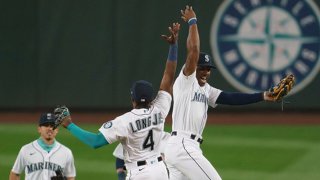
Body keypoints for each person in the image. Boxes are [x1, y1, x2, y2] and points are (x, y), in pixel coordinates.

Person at [164, 6, 279, 180]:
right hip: (183, 146)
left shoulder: (207, 89)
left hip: (184, 148)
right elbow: (193, 51)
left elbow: (231, 98)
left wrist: (263, 95)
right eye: (202, 68)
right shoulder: (186, 80)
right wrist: (193, 22)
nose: (205, 72)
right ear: (194, 67)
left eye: (209, 69)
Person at [54, 22, 180, 180]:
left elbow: (96, 142)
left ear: (132, 99)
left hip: (140, 174)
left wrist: (69, 124)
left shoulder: (124, 121)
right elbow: (168, 77)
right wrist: (174, 46)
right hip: (161, 170)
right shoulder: (160, 109)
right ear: (150, 98)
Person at [9, 113, 76, 180]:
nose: (49, 128)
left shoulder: (66, 152)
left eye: (53, 126)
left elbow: (71, 177)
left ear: (57, 130)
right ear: (39, 129)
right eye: (46, 125)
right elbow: (15, 174)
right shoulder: (26, 150)